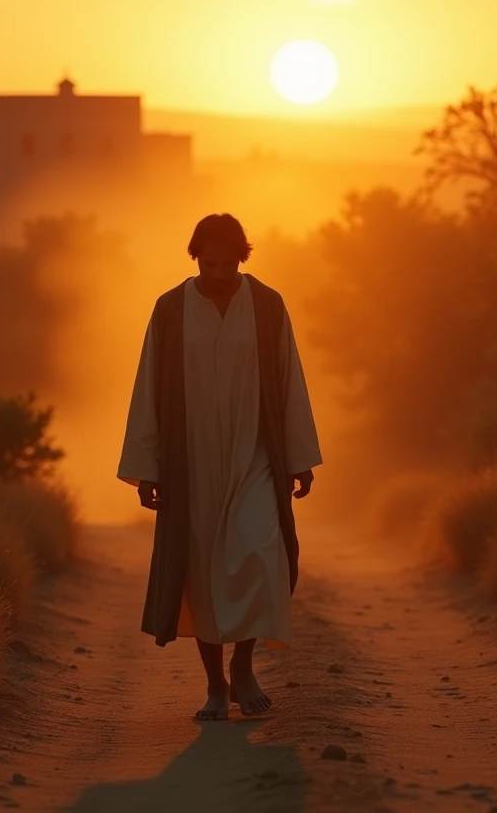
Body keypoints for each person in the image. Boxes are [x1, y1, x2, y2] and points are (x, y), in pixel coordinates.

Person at [117, 213, 322, 720]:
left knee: (258, 554)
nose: (217, 273)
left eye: (226, 264)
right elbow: (148, 388)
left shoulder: (268, 306)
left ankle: (246, 666)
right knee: (202, 570)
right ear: (195, 258)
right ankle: (215, 685)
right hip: (193, 461)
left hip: (255, 453)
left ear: (242, 259)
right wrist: (149, 469)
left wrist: (299, 460)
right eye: (208, 264)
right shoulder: (170, 310)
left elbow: (289, 380)